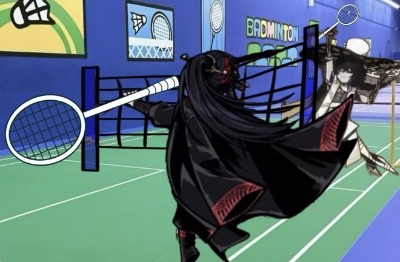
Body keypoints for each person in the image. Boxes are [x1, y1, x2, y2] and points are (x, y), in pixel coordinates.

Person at [124, 50, 356, 262]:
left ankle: (187, 244)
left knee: (192, 200)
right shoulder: (222, 106)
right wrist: (139, 103)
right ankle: (187, 245)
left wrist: (137, 103)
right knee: (192, 203)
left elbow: (161, 114)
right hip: (209, 170)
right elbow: (163, 114)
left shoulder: (193, 107)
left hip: (209, 172)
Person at [315, 30, 399, 176]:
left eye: (349, 71)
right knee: (355, 146)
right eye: (342, 71)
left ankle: (371, 164)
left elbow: (367, 99)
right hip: (326, 118)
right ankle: (371, 163)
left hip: (340, 119)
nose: (345, 74)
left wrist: (375, 82)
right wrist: (329, 41)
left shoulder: (352, 88)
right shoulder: (332, 82)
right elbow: (329, 61)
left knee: (358, 145)